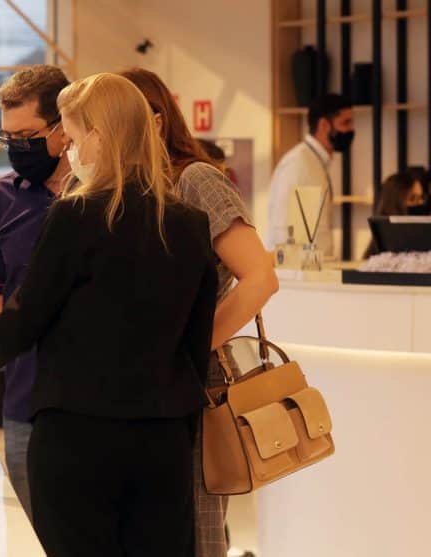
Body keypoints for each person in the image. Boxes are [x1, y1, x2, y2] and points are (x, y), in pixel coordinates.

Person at [0, 72, 217, 556]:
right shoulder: (189, 224)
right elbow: (196, 343)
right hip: (164, 442)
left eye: (70, 138)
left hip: (78, 438)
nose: (68, 152)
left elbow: (22, 321)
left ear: (98, 135)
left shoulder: (75, 216)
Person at [121, 67, 279, 557]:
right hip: (137, 387)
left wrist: (193, 343)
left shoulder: (195, 179)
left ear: (153, 121)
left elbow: (260, 276)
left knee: (196, 531)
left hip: (194, 385)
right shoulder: (127, 190)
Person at [0, 64, 70, 517]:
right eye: (8, 138)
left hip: (96, 403)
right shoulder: (0, 200)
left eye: (27, 135)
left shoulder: (103, 195)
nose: (17, 149)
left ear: (64, 127)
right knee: (33, 530)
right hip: (25, 401)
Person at [267, 93, 354, 258]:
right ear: (323, 125)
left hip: (311, 272)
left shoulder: (313, 161)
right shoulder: (299, 164)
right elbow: (284, 230)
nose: (351, 130)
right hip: (297, 277)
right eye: (345, 123)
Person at [364, 171, 429, 258]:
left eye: (422, 198)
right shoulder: (381, 248)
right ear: (395, 203)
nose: (421, 203)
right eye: (413, 199)